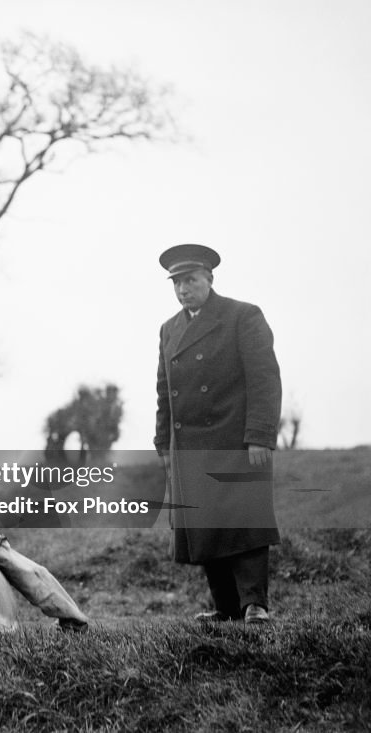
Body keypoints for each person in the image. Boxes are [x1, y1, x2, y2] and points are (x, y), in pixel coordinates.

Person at [154, 244, 282, 625]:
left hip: (234, 438)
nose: (183, 289)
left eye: (190, 280)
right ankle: (226, 606)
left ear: (209, 279)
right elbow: (164, 390)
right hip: (189, 445)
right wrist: (163, 442)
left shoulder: (242, 316)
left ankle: (254, 604)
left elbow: (264, 379)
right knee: (205, 526)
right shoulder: (169, 329)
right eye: (177, 282)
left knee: (245, 521)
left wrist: (259, 434)